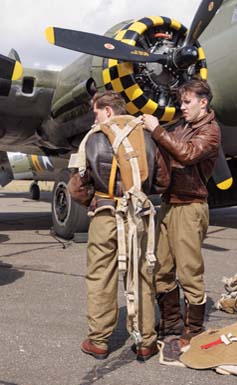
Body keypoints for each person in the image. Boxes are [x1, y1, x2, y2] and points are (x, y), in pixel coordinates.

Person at [68, 91, 170, 361]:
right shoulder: (148, 136)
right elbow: (162, 182)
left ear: (108, 111)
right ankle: (146, 341)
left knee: (101, 276)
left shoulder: (93, 137)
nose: (96, 117)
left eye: (97, 112)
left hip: (105, 214)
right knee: (142, 274)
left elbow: (78, 186)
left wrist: (96, 200)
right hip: (139, 216)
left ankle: (99, 341)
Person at [142, 79, 221, 350]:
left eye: (187, 102)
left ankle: (193, 328)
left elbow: (186, 154)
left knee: (189, 272)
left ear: (203, 102)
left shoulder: (210, 132)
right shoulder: (182, 126)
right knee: (161, 268)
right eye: (181, 102)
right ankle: (171, 322)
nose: (182, 107)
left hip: (190, 207)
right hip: (169, 204)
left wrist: (156, 131)